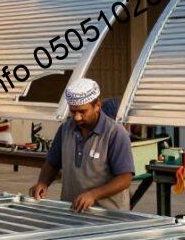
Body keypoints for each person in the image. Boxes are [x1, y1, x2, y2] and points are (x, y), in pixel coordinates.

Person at [29, 78, 134, 212]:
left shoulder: (115, 133)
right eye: (73, 112)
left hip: (107, 215)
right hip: (73, 210)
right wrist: (43, 182)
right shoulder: (66, 129)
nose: (77, 117)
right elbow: (52, 162)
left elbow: (125, 178)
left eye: (83, 111)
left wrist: (93, 195)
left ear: (97, 106)